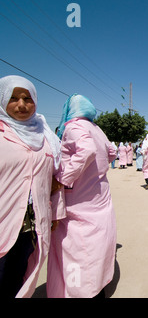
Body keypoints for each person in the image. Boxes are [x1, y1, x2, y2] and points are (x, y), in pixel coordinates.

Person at [47, 94, 117, 298]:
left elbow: (86, 151)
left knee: (75, 251)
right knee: (96, 248)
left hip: (78, 201)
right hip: (99, 196)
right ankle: (96, 287)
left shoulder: (73, 126)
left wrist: (63, 178)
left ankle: (80, 292)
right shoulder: (96, 128)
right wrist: (97, 172)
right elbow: (111, 152)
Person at [0, 75, 65, 298]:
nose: (21, 105)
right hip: (3, 222)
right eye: (13, 98)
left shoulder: (44, 135)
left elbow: (55, 180)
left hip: (30, 226)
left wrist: (54, 213)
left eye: (27, 98)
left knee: (17, 277)